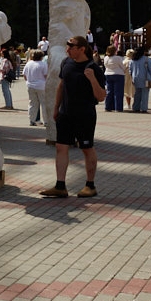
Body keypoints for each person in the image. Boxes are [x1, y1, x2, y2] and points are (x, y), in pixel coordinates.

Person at [41, 35, 106, 198]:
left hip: (85, 115)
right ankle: (60, 186)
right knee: (60, 147)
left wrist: (91, 79)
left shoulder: (94, 68)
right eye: (67, 46)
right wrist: (56, 108)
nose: (67, 49)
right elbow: (61, 85)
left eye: (71, 46)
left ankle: (90, 185)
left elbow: (101, 96)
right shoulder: (66, 63)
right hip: (65, 114)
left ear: (82, 49)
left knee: (86, 148)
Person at [23, 49, 48, 126]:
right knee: (44, 103)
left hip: (30, 85)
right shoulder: (43, 64)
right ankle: (46, 121)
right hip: (41, 86)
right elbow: (46, 75)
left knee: (32, 103)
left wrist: (28, 81)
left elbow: (24, 75)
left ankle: (32, 120)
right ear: (41, 57)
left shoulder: (28, 63)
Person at [129, 47, 151, 113]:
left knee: (137, 93)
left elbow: (130, 70)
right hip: (145, 78)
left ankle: (136, 107)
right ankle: (144, 108)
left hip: (135, 78)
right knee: (145, 94)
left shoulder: (132, 60)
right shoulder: (146, 59)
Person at [102, 44, 125, 112]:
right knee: (118, 92)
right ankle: (118, 107)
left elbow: (105, 65)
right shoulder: (118, 58)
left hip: (108, 74)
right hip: (118, 74)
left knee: (109, 91)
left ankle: (108, 106)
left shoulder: (106, 58)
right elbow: (122, 66)